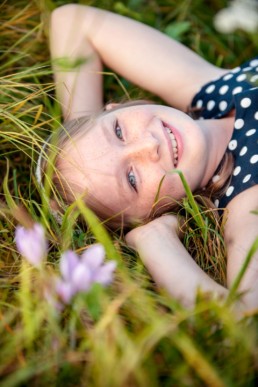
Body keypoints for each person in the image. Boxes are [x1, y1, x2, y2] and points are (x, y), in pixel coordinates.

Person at [38, 4, 258, 313]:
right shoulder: (247, 203)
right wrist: (156, 242)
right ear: (154, 211)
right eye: (131, 178)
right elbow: (246, 322)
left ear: (116, 108)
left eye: (118, 131)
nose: (148, 147)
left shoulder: (206, 90)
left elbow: (72, 21)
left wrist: (84, 125)